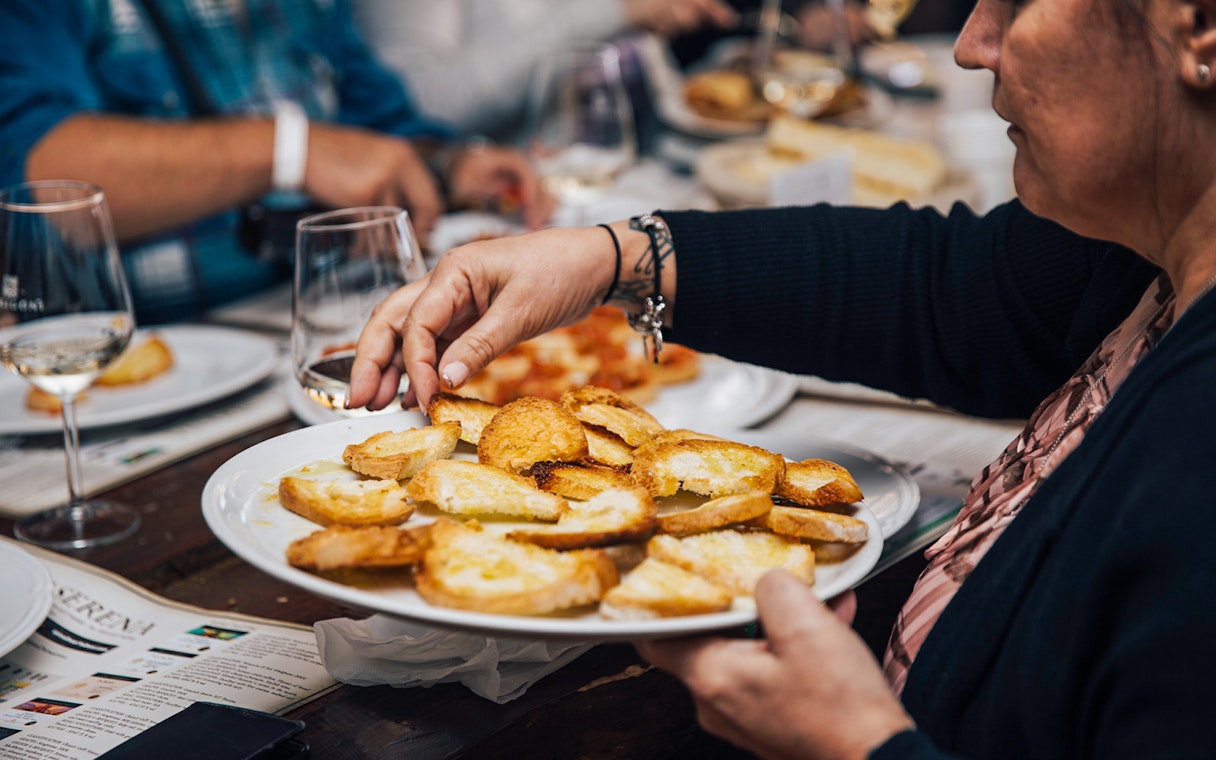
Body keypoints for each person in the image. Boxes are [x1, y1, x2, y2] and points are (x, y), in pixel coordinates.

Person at [349, 0, 1216, 753]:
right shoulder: (1145, 258)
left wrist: (852, 749)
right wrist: (611, 256)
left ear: (1201, 29)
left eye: (1019, 0)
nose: (971, 42)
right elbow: (957, 290)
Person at [0, 0, 552, 325]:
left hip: (333, 326)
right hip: (134, 377)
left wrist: (448, 165)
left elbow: (382, 122)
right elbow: (41, 179)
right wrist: (292, 150)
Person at [351, 0, 740, 146]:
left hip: (639, 185)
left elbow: (647, 83)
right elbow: (416, 105)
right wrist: (619, 10)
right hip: (507, 219)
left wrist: (726, 71)